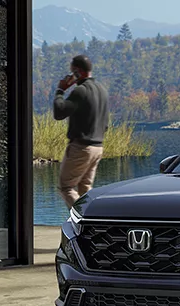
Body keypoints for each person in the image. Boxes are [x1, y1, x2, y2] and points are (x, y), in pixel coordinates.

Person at [52, 54, 109, 207]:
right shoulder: (102, 90)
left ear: (77, 72)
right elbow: (106, 124)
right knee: (85, 188)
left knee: (66, 187)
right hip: (98, 148)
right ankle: (91, 222)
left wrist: (60, 90)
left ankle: (83, 220)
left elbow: (59, 112)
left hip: (81, 148)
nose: (71, 76)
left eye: (72, 72)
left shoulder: (81, 91)